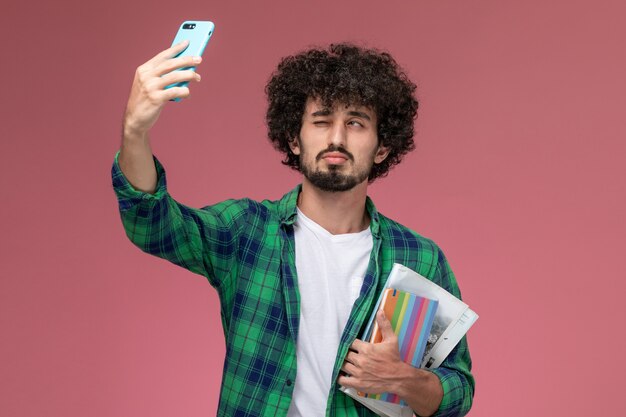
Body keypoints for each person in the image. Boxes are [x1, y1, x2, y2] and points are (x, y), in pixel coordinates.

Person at [112, 41, 474, 417]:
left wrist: (402, 379)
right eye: (321, 120)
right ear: (293, 139)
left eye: (355, 123)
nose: (337, 138)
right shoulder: (247, 232)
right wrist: (135, 131)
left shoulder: (420, 257)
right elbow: (152, 225)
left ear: (382, 147)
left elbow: (458, 391)